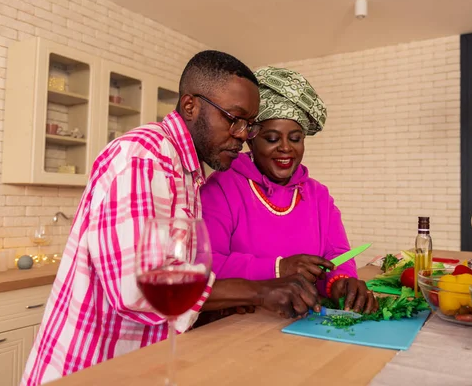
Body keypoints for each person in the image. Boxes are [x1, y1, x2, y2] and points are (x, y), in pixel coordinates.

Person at [22, 52, 322, 386]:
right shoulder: (143, 157)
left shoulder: (186, 171)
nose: (242, 135)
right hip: (90, 368)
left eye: (249, 125)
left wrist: (222, 304)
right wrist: (258, 291)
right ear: (191, 106)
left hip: (140, 366)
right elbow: (137, 288)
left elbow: (176, 272)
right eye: (233, 119)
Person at [201, 66, 378, 314]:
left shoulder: (318, 195)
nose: (286, 148)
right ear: (251, 138)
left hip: (304, 320)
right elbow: (205, 264)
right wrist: (277, 268)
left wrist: (341, 282)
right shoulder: (222, 187)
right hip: (241, 327)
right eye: (272, 139)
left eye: (295, 138)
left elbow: (337, 254)